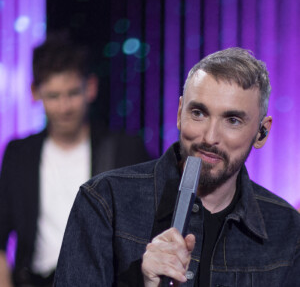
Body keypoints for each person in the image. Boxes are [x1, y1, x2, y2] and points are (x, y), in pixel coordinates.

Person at [54, 48, 300, 286]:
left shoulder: (288, 229)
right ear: (180, 112)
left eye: (232, 120)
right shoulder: (105, 201)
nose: (209, 137)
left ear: (261, 132)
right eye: (198, 113)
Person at [0, 35, 150, 287]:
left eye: (72, 93)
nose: (64, 107)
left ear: (90, 87)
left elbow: (149, 230)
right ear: (35, 93)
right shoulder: (19, 154)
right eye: (54, 96)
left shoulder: (124, 149)